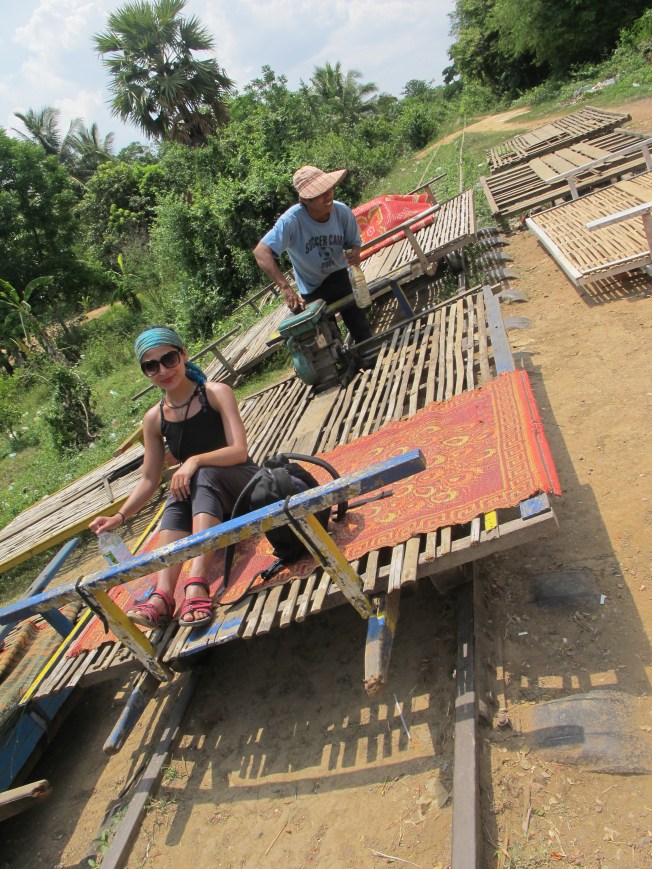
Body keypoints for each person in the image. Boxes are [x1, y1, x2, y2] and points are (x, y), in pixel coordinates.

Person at [89, 327, 258, 628]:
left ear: (183, 355)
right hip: (206, 498)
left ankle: (197, 584)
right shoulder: (154, 418)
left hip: (242, 486)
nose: (163, 371)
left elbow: (239, 451)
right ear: (145, 372)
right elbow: (149, 479)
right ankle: (163, 596)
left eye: (168, 359)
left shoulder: (215, 393)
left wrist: (193, 461)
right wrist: (119, 516)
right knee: (178, 491)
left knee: (200, 474)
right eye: (151, 366)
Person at [253, 164, 373, 345]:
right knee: (328, 342)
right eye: (320, 193)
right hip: (313, 289)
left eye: (329, 189)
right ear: (305, 200)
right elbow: (261, 252)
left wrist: (355, 252)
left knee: (361, 328)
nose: (328, 195)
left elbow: (353, 243)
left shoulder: (342, 212)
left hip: (341, 277)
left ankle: (368, 352)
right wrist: (285, 287)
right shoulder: (291, 221)